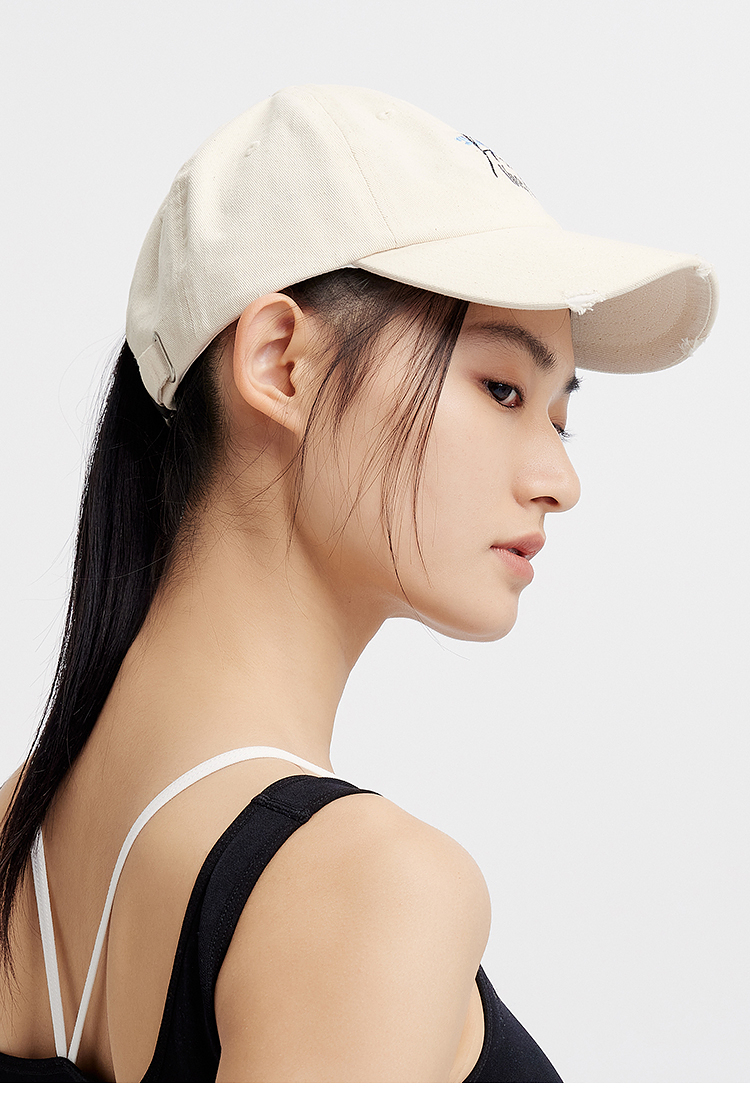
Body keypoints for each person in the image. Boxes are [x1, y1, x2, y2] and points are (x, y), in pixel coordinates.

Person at [0, 85, 717, 1083]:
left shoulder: (19, 847)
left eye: (559, 416)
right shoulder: (370, 890)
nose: (561, 479)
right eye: (502, 388)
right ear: (280, 364)